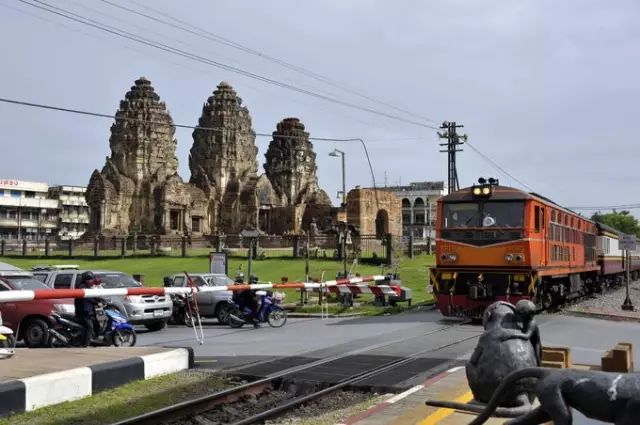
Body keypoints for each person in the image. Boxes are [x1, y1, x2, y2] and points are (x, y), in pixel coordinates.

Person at [75, 271, 101, 346]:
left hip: (89, 312)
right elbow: (88, 298)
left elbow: (93, 296)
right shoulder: (82, 288)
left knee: (96, 324)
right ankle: (85, 344)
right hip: (83, 313)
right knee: (89, 327)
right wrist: (96, 302)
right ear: (85, 280)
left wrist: (101, 300)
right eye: (89, 280)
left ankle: (94, 339)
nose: (91, 281)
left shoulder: (87, 287)